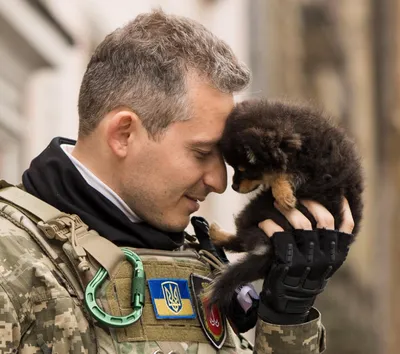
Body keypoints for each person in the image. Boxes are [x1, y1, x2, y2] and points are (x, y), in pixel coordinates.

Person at [0, 10, 355, 354]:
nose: (219, 181)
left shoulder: (201, 260)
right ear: (124, 134)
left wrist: (286, 319)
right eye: (202, 153)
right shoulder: (11, 261)